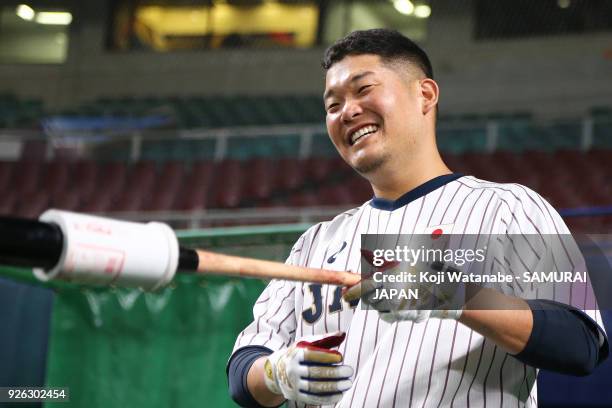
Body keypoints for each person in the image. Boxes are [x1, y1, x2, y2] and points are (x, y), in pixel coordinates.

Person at [226, 29, 609, 407]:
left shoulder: (510, 208)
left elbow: (581, 342)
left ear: (425, 94)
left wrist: (449, 294)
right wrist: (277, 372)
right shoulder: (316, 242)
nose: (348, 111)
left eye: (363, 89)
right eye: (332, 105)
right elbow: (243, 371)